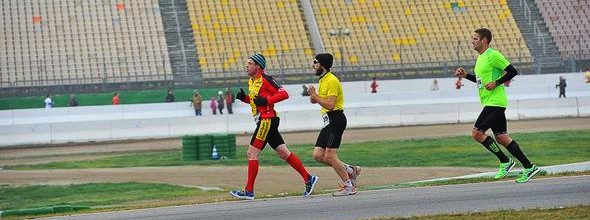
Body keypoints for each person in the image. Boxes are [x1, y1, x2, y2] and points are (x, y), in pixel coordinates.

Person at [455, 28, 539, 183]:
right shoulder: (480, 58)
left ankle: (505, 161)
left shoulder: (493, 55)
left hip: (495, 102)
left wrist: (497, 83)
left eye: (475, 39)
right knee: (501, 137)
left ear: (484, 40)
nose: (472, 41)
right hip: (490, 102)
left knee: (477, 133)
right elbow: (481, 82)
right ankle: (529, 167)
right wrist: (466, 76)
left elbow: (513, 71)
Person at [230, 53, 318, 200]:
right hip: (264, 120)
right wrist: (245, 99)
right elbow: (257, 101)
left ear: (258, 66)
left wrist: (267, 100)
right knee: (284, 153)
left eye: (250, 63)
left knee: (252, 154)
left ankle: (249, 191)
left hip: (267, 120)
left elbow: (284, 94)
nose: (246, 66)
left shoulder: (266, 79)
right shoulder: (252, 81)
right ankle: (309, 179)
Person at [307, 53, 361, 196]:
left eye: (315, 62)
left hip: (335, 119)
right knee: (318, 155)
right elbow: (323, 100)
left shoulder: (331, 80)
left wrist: (315, 95)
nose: (313, 65)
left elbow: (330, 105)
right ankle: (351, 170)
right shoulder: (323, 79)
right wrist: (314, 98)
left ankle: (348, 186)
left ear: (322, 65)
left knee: (330, 155)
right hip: (328, 121)